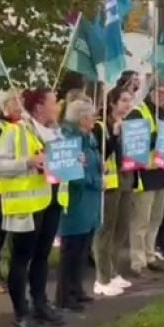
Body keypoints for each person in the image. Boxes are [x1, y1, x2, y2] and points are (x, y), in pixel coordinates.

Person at [0, 87, 68, 327]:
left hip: (52, 200)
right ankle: (21, 311)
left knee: (42, 257)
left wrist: (74, 161)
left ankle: (40, 304)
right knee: (21, 259)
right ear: (39, 107)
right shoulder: (15, 131)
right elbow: (0, 165)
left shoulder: (55, 133)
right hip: (26, 204)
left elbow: (60, 161)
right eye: (54, 103)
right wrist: (27, 161)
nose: (58, 107)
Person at [56, 100, 101, 312]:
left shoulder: (88, 138)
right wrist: (95, 181)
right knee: (72, 250)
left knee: (83, 249)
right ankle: (65, 295)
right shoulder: (68, 139)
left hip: (89, 202)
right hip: (76, 202)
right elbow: (71, 172)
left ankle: (77, 289)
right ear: (82, 119)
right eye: (91, 116)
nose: (94, 120)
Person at [126, 81, 164, 275]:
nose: (162, 96)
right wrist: (156, 137)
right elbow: (132, 143)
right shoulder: (138, 113)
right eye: (159, 92)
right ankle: (138, 262)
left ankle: (150, 255)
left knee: (156, 218)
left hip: (162, 173)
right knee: (141, 221)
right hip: (144, 173)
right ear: (151, 92)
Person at [92, 87, 136, 297]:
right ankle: (102, 277)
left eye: (130, 100)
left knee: (122, 227)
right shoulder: (102, 126)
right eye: (124, 100)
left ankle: (113, 269)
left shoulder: (130, 123)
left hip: (126, 177)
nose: (128, 104)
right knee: (106, 229)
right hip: (110, 180)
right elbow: (102, 153)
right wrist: (116, 135)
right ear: (112, 103)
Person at [0, 90, 23, 292]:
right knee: (0, 227)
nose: (20, 108)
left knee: (18, 228)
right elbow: (7, 152)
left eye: (21, 103)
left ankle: (16, 267)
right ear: (5, 107)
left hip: (24, 186)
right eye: (15, 104)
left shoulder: (26, 126)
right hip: (5, 185)